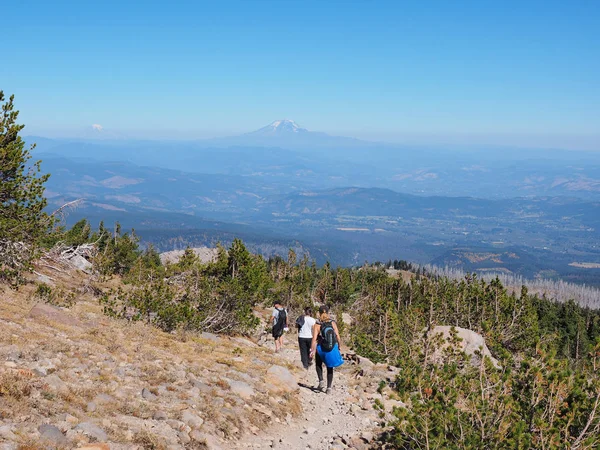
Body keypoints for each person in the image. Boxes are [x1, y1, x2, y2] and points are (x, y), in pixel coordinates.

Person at [310, 305, 343, 394]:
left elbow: (314, 339)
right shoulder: (332, 323)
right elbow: (337, 336)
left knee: (318, 364)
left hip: (321, 348)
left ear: (319, 313)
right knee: (329, 366)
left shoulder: (317, 324)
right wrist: (339, 346)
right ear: (328, 313)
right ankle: (328, 388)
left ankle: (321, 381)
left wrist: (312, 350)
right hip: (332, 347)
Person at [297, 307, 316, 373]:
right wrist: (315, 337)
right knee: (309, 350)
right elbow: (314, 330)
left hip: (301, 336)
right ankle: (309, 360)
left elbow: (297, 326)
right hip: (309, 337)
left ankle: (305, 365)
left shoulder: (301, 318)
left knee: (303, 351)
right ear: (310, 313)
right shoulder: (313, 320)